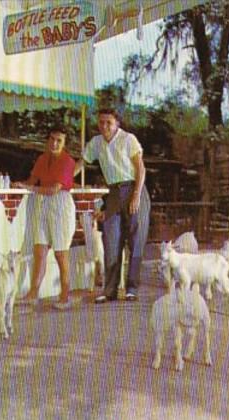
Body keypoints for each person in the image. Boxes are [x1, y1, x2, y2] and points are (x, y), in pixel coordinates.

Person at [78, 108, 150, 303]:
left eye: (108, 122)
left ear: (117, 123)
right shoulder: (96, 143)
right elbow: (81, 164)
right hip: (113, 193)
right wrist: (64, 181)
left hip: (134, 188)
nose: (104, 126)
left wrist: (136, 195)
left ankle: (131, 288)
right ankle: (109, 290)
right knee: (111, 240)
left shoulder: (128, 139)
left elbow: (140, 169)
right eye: (101, 122)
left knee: (135, 241)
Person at [14, 127, 80, 310]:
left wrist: (30, 189)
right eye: (52, 139)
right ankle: (33, 293)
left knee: (60, 252)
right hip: (42, 204)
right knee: (39, 250)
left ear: (64, 143)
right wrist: (19, 185)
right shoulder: (42, 159)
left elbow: (54, 189)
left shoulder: (68, 161)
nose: (54, 143)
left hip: (60, 206)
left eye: (59, 140)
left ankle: (65, 296)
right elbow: (33, 180)